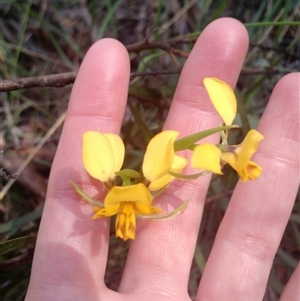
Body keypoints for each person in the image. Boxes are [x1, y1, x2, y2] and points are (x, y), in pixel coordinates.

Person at [25, 18, 299, 301]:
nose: (126, 222)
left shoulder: (200, 152)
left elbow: (166, 157)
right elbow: (158, 158)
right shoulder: (155, 169)